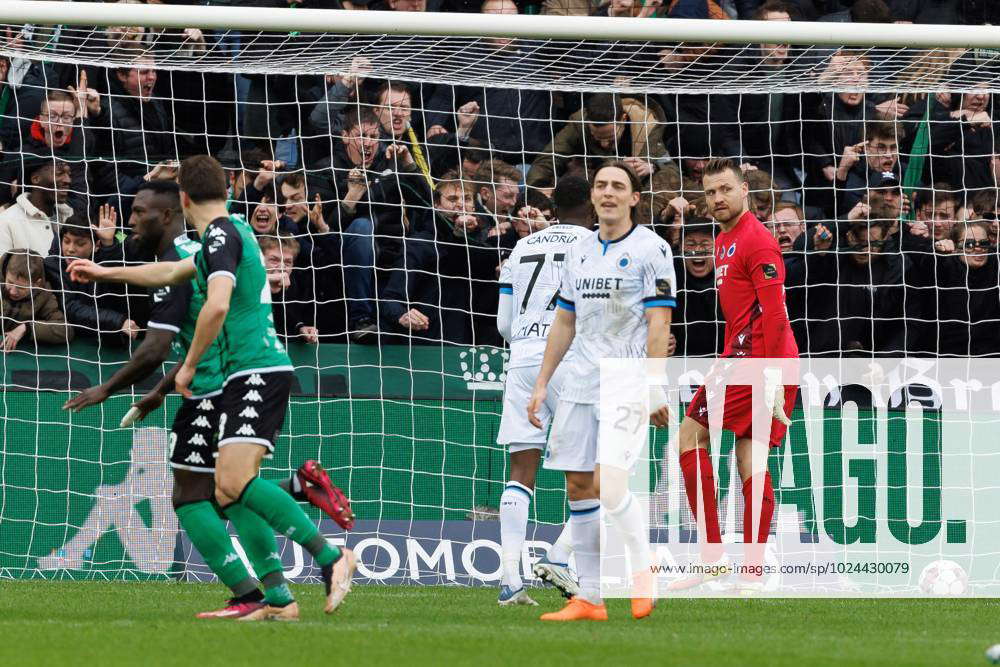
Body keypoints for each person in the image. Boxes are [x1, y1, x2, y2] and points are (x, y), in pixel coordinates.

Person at [66, 156, 356, 621]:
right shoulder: (227, 231)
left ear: (182, 199)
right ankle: (277, 594)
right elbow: (170, 273)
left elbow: (216, 305)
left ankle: (329, 556)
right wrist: (105, 273)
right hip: (242, 373)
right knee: (225, 489)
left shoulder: (220, 234)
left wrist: (187, 368)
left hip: (250, 369)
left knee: (224, 486)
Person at [528, 161, 675, 621]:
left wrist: (654, 386)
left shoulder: (653, 249)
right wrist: (541, 383)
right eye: (600, 186)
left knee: (611, 484)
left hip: (627, 379)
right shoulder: (580, 251)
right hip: (579, 381)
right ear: (591, 197)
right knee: (578, 484)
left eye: (618, 186)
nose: (607, 193)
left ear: (634, 198)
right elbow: (565, 321)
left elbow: (659, 322)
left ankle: (644, 571)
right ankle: (590, 597)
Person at [675, 158, 798, 592]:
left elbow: (777, 313)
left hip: (758, 360)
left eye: (725, 189)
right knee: (750, 458)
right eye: (710, 192)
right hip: (742, 357)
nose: (717, 199)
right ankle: (749, 571)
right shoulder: (724, 239)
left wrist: (775, 374)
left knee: (689, 437)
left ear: (745, 189)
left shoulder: (757, 241)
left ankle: (714, 559)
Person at [494, 191, 592, 606]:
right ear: (592, 210)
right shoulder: (593, 246)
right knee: (598, 471)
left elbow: (503, 324)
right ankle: (559, 556)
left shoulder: (522, 245)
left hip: (522, 364)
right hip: (571, 361)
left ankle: (510, 581)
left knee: (521, 471)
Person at [1, 248, 72, 350]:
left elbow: (66, 330)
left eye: (21, 287)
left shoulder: (44, 295)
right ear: (6, 272)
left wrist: (27, 328)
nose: (13, 291)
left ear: (36, 284)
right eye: (10, 282)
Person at [0, 157, 73, 257]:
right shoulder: (6, 221)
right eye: (59, 173)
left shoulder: (70, 216)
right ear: (35, 179)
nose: (68, 180)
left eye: (69, 174)